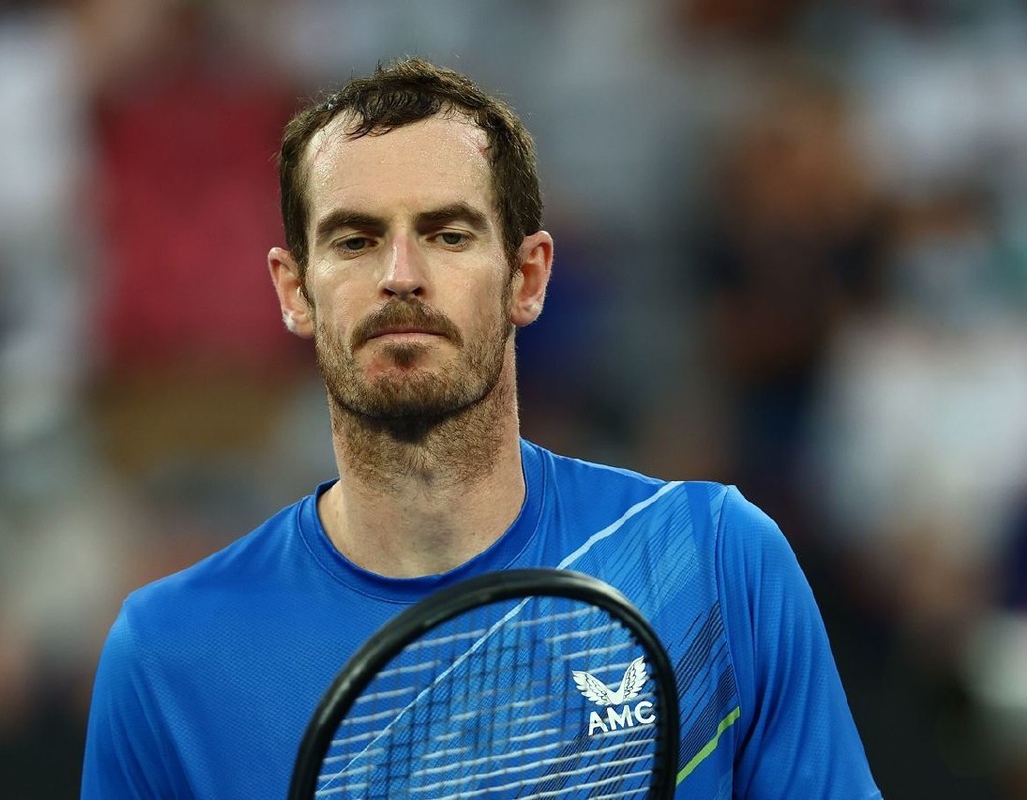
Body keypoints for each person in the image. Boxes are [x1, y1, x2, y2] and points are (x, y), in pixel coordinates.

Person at [81, 57, 881, 799]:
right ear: (295, 291)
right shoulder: (166, 655)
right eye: (355, 240)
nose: (401, 276)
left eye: (448, 234)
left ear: (527, 278)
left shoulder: (714, 560)